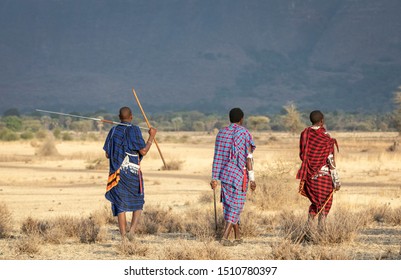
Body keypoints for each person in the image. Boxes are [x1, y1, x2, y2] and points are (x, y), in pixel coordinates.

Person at [103, 107, 157, 240]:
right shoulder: (134, 130)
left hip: (117, 173)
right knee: (138, 201)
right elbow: (143, 151)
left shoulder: (114, 130)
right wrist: (151, 137)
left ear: (119, 116)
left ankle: (123, 237)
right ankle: (131, 233)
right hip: (132, 172)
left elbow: (107, 154)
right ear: (131, 117)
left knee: (119, 203)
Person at [210, 108, 256, 246]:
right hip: (239, 175)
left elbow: (217, 156)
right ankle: (224, 238)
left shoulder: (221, 133)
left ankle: (238, 237)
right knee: (236, 207)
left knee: (230, 205)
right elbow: (249, 158)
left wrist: (214, 178)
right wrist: (252, 178)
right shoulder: (244, 133)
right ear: (241, 119)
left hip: (225, 175)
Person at [296, 110, 341, 229]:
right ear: (322, 121)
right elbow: (330, 159)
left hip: (310, 176)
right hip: (324, 176)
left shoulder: (305, 134)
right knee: (326, 202)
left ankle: (309, 227)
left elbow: (302, 154)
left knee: (316, 202)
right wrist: (336, 180)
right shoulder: (325, 137)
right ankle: (321, 228)